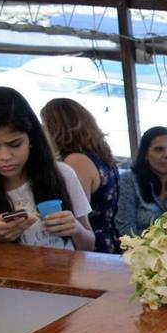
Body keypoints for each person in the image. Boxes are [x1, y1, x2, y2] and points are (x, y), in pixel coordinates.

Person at [0, 87, 95, 250]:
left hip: (65, 274)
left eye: (15, 144)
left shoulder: (63, 174)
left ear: (31, 139)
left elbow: (89, 245)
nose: (5, 156)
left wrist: (76, 228)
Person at [40, 98, 121, 253]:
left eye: (44, 126)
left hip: (92, 247)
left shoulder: (76, 162)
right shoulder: (100, 155)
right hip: (109, 238)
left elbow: (79, 213)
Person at [116, 126, 167, 237]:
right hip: (138, 251)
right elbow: (125, 230)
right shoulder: (129, 180)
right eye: (159, 149)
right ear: (145, 155)